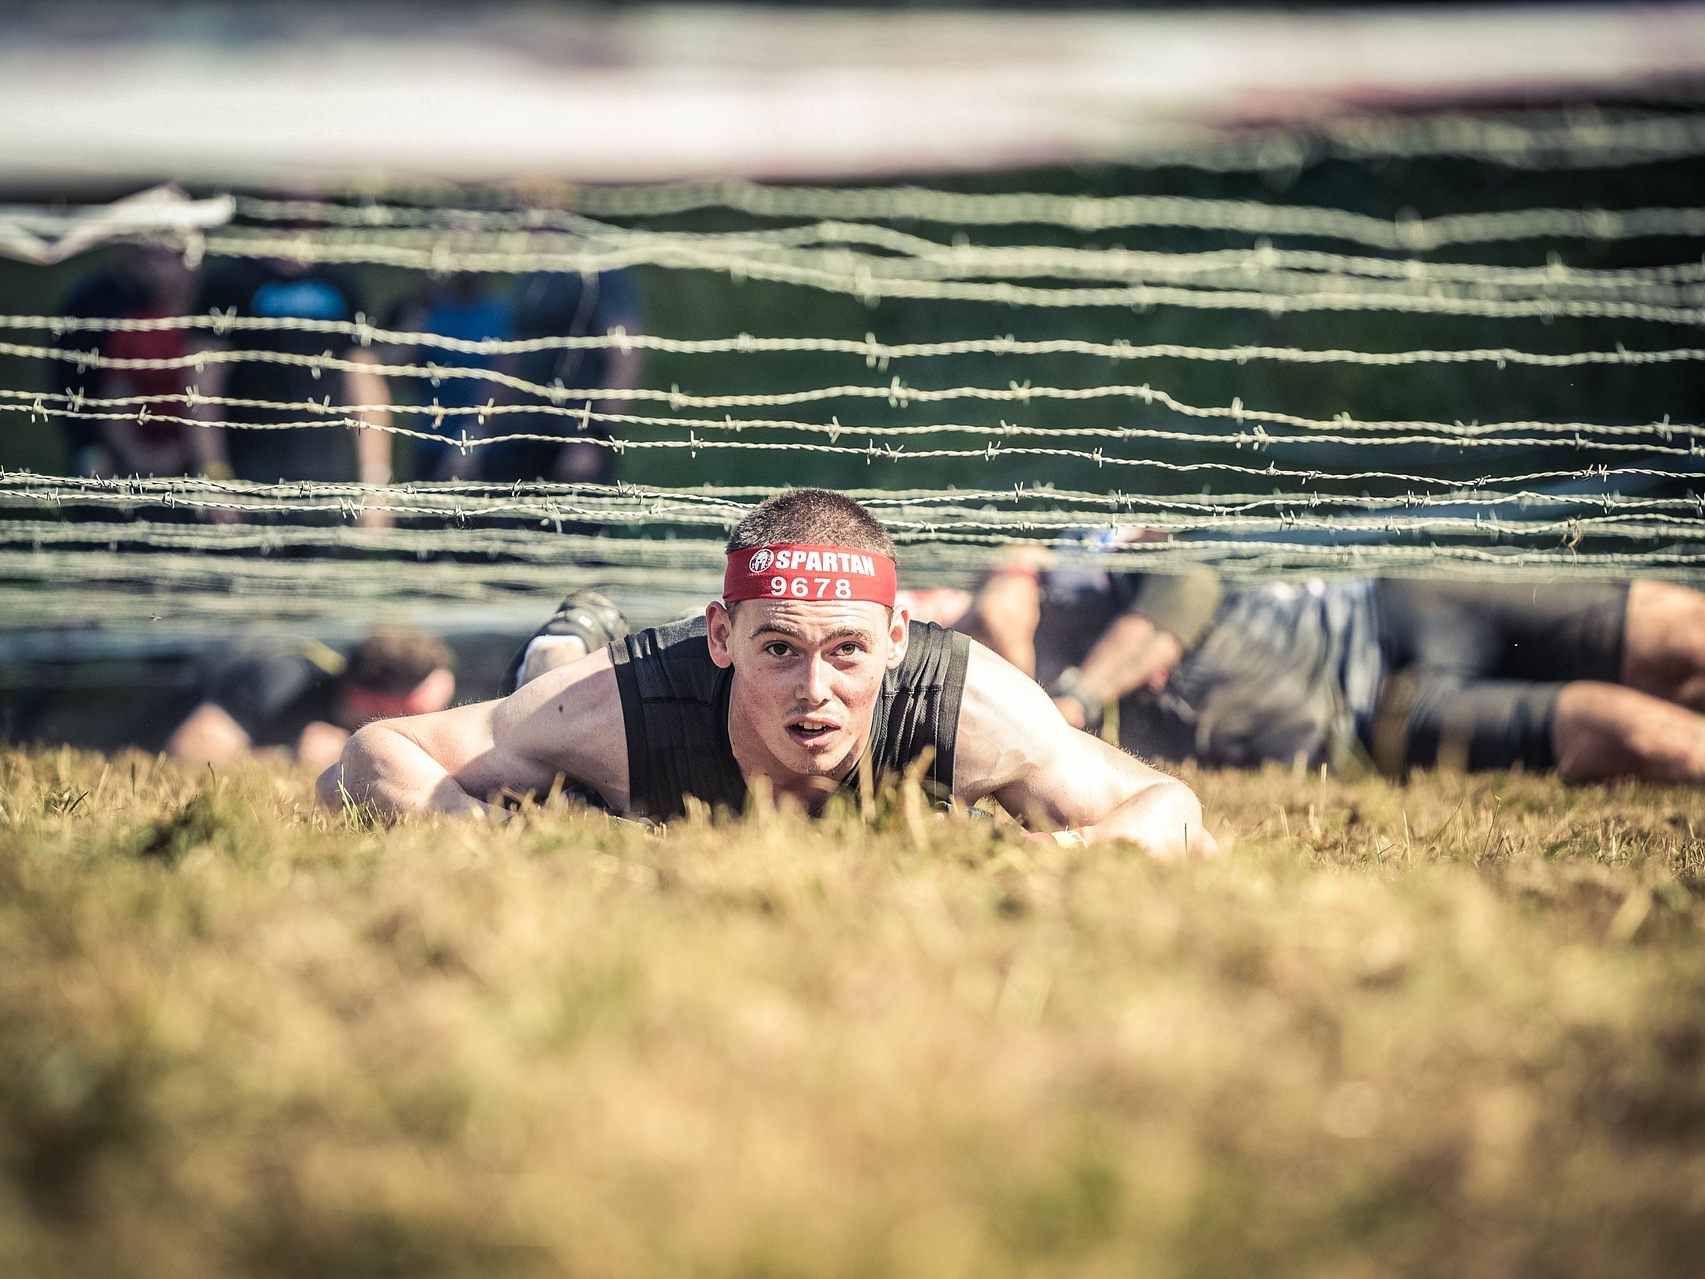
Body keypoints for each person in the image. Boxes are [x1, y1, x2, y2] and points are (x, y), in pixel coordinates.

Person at [317, 489, 1217, 857]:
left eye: (847, 651)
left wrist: (1057, 859)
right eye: (779, 649)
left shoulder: (966, 703)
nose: (814, 690)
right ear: (722, 637)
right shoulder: (626, 705)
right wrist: (524, 853)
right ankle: (566, 633)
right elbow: (367, 757)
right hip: (602, 735)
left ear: (897, 638)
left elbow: (1174, 811)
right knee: (550, 689)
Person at [962, 538, 1705, 784]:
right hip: (1376, 725)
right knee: (1614, 729)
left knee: (1676, 640)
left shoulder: (1061, 565)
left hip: (1387, 608)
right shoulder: (972, 710)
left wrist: (1074, 696)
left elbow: (1187, 578)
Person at [190, 251, 394, 524]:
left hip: (327, 486)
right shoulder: (230, 280)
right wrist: (214, 472)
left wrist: (375, 483)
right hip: (245, 483)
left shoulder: (340, 282)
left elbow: (365, 383)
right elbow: (202, 385)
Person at [166, 627, 455, 772]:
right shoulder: (284, 681)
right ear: (368, 702)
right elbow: (187, 753)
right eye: (421, 710)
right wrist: (288, 756)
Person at [48, 242, 202, 480]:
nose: (164, 271)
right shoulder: (93, 306)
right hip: (112, 446)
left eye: (175, 257)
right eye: (153, 258)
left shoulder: (216, 304)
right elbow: (98, 391)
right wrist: (94, 445)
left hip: (200, 449)